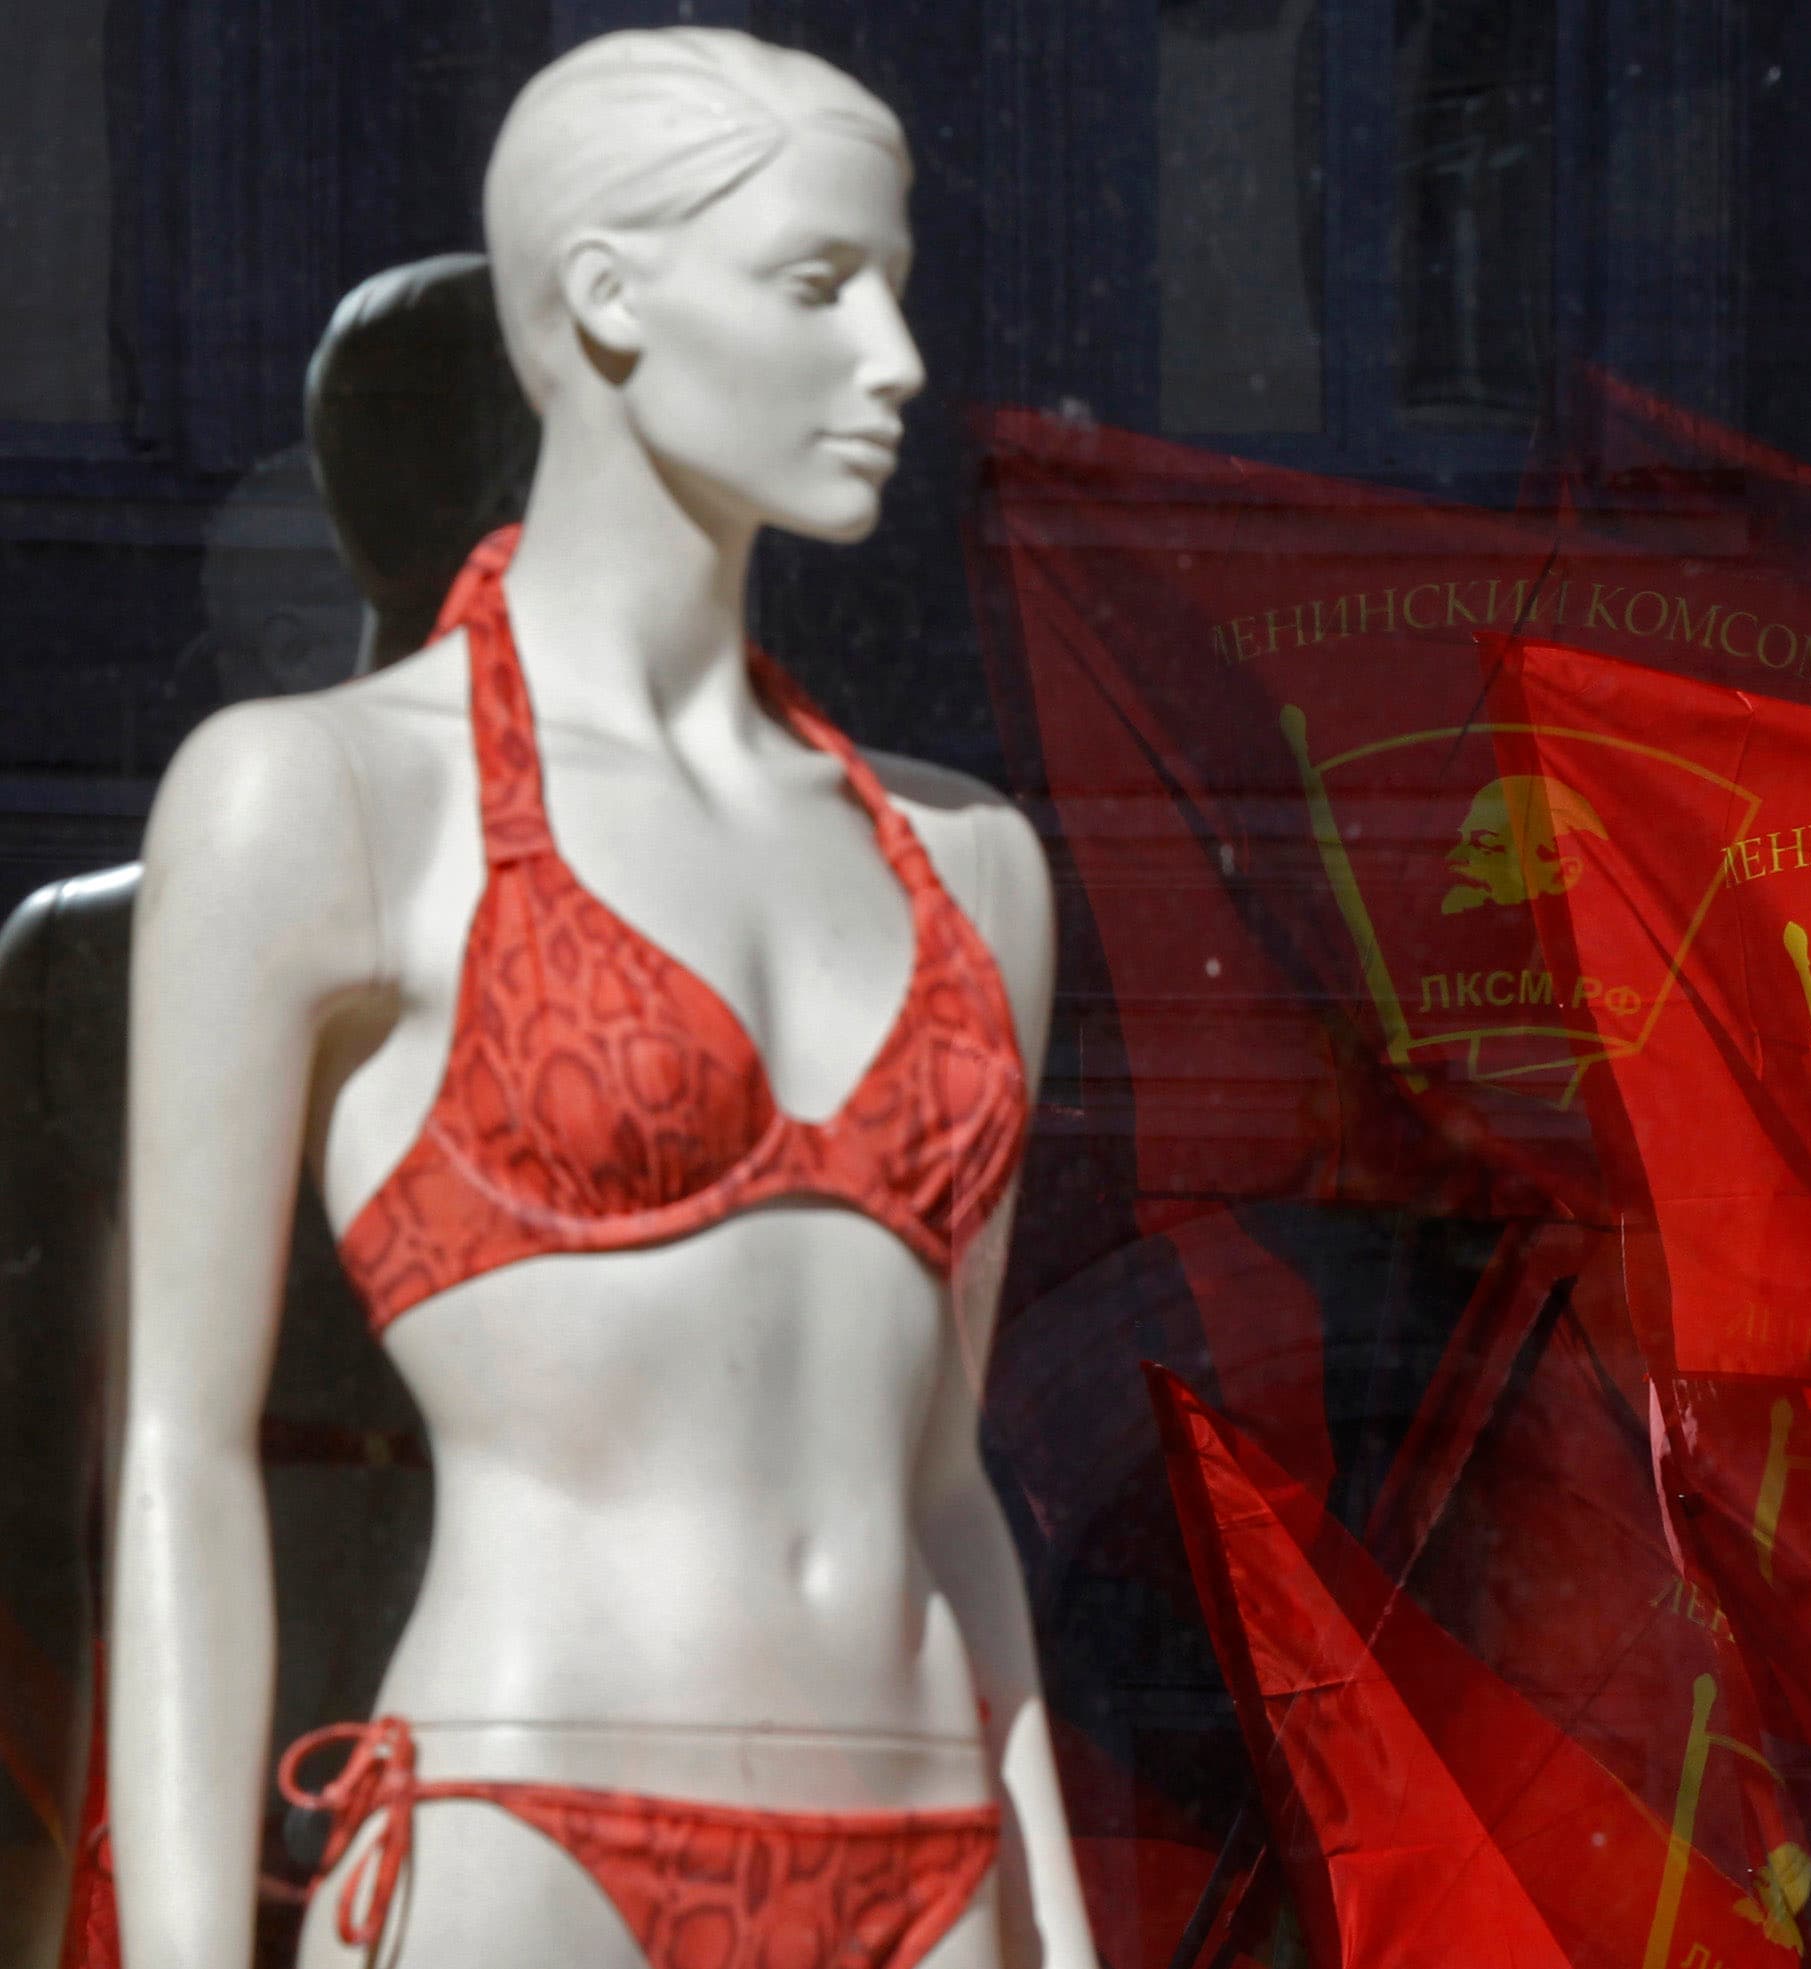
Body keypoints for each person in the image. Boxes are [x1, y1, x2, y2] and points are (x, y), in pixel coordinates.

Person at [109, 31, 1098, 1969]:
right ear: (610, 298)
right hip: (526, 1832)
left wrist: (1059, 1932)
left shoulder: (973, 861)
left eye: (896, 287)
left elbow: (938, 1482)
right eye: (821, 284)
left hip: (928, 1843)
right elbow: (180, 1454)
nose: (896, 359)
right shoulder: (322, 801)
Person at [0, 250, 535, 1969]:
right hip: (407, 1737)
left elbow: (36, 1534)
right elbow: (33, 1518)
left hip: (433, 1741)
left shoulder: (91, 959)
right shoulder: (91, 961)